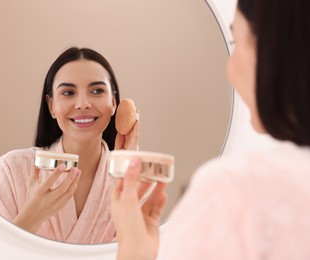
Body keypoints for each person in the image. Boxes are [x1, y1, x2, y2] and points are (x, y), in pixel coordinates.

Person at [111, 0, 310, 259]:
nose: (230, 71)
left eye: (236, 43)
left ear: (274, 50)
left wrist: (133, 251)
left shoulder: (235, 190)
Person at [0, 47, 139, 244]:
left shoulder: (133, 179)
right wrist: (32, 216)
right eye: (68, 92)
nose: (83, 104)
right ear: (51, 106)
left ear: (114, 102)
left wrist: (130, 183)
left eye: (97, 91)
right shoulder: (10, 170)